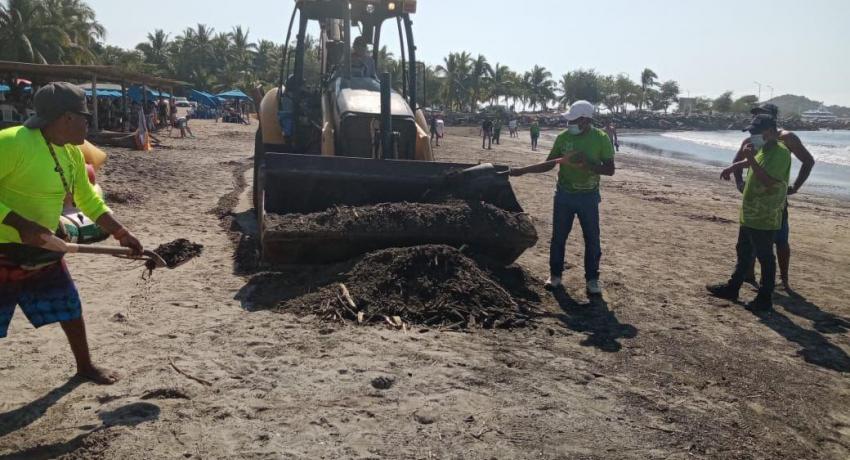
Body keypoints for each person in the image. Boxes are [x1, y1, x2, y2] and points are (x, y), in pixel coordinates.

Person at [0, 82, 143, 384]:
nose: (88, 123)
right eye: (84, 116)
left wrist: (121, 232)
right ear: (66, 118)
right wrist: (21, 224)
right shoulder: (11, 143)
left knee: (68, 306)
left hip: (44, 248)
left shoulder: (73, 154)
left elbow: (87, 199)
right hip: (3, 252)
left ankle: (85, 367)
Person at [507, 101, 616, 294]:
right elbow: (550, 163)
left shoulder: (601, 139)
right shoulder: (563, 138)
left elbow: (610, 170)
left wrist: (587, 165)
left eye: (573, 120)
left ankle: (592, 280)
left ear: (585, 120)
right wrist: (522, 171)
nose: (569, 124)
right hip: (564, 195)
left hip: (588, 197)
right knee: (558, 238)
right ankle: (555, 275)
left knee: (592, 238)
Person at [709, 114, 792, 310]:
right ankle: (733, 287)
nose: (753, 136)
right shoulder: (764, 149)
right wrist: (734, 166)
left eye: (757, 132)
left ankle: (764, 299)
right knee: (743, 251)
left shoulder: (781, 153)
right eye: (751, 132)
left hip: (765, 214)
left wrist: (749, 159)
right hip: (751, 213)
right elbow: (751, 164)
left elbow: (769, 181)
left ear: (771, 132)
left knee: (765, 256)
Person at [731, 103, 815, 291]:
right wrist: (740, 184)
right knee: (748, 240)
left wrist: (795, 187)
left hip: (775, 202)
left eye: (762, 115)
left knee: (779, 240)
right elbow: (737, 161)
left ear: (772, 120)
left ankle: (783, 280)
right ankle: (749, 275)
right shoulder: (752, 139)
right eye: (755, 116)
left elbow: (808, 161)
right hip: (754, 200)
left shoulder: (787, 140)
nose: (756, 119)